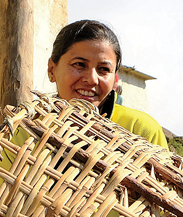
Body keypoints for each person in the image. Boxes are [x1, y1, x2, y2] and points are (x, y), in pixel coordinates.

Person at [47, 20, 167, 148]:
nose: (92, 79)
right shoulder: (28, 127)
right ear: (52, 70)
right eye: (79, 64)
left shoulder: (142, 131)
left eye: (104, 69)